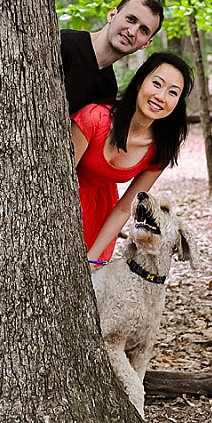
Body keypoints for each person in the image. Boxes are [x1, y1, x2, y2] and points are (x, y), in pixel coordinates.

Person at [70, 51, 193, 264]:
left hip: (100, 218)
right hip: (63, 203)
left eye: (173, 93)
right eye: (157, 84)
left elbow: (125, 207)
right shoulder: (94, 119)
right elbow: (59, 181)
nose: (161, 97)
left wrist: (92, 256)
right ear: (139, 83)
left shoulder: (159, 150)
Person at [60, 0, 164, 116]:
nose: (132, 32)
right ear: (112, 15)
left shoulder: (108, 88)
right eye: (130, 19)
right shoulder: (64, 43)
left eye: (143, 30)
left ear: (146, 44)